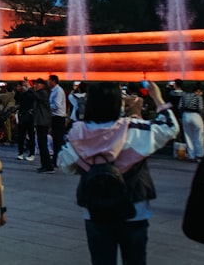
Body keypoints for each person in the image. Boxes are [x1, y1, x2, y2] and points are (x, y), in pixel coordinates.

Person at [57, 81, 179, 265]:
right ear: (118, 102)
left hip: (95, 210)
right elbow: (170, 128)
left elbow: (64, 164)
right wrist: (157, 98)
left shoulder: (76, 134)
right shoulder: (134, 129)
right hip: (134, 209)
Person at [179, 82, 204, 162]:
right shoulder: (198, 97)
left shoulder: (183, 96)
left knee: (188, 136)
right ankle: (199, 155)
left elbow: (180, 107)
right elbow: (200, 108)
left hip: (185, 115)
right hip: (196, 116)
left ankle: (191, 155)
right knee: (199, 136)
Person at [32, 78, 53, 172]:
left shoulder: (43, 93)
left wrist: (29, 89)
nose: (35, 86)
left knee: (43, 144)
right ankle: (44, 165)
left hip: (43, 121)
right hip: (40, 121)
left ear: (42, 85)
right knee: (41, 144)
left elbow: (38, 97)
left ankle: (48, 166)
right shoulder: (40, 93)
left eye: (36, 84)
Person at [48, 75, 68, 166]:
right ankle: (55, 159)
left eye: (49, 81)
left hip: (58, 117)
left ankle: (57, 160)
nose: (48, 83)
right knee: (56, 140)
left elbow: (57, 105)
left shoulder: (58, 91)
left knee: (57, 140)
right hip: (55, 117)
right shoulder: (54, 91)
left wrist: (47, 107)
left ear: (53, 81)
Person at [14, 80, 36, 161]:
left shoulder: (30, 93)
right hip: (22, 116)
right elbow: (16, 98)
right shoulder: (20, 94)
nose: (19, 88)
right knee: (21, 135)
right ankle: (20, 153)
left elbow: (32, 98)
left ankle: (32, 153)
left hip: (29, 116)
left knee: (31, 135)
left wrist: (28, 89)